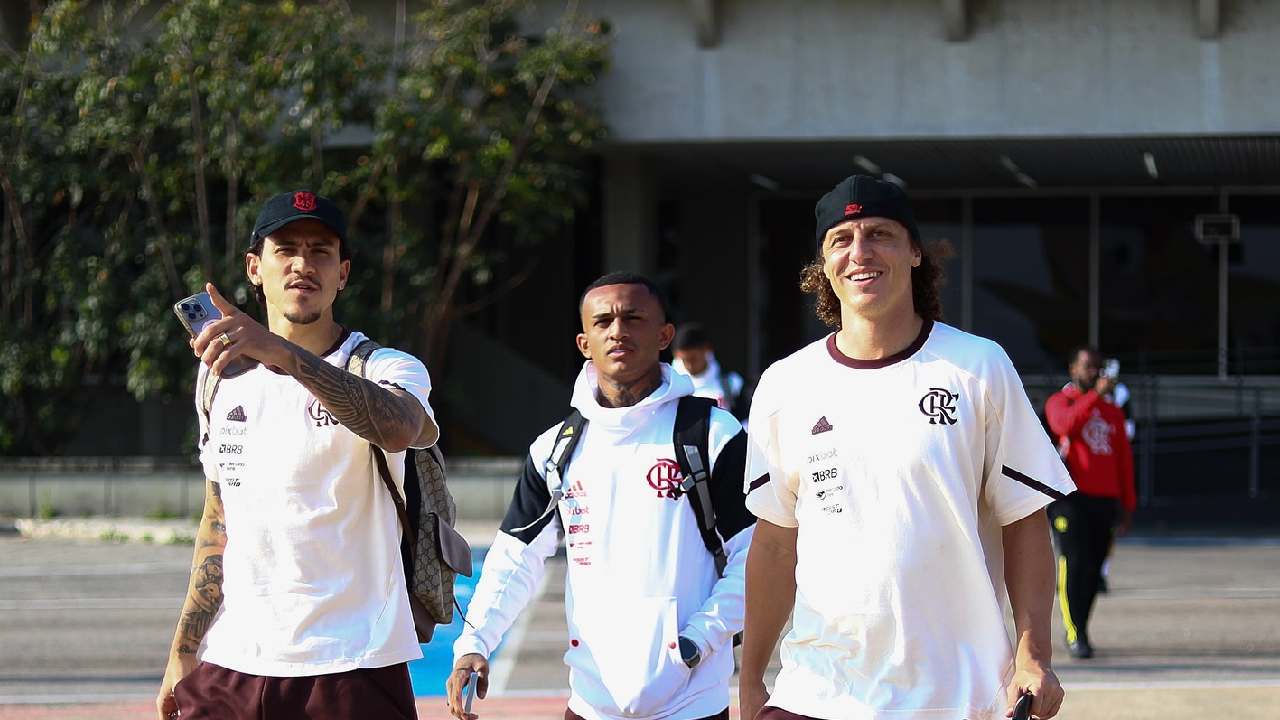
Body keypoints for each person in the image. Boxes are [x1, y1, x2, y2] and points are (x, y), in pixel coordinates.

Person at [739, 175, 1074, 720]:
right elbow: (776, 543)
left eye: (880, 235)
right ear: (822, 264)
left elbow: (1024, 524)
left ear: (915, 252)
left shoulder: (978, 367)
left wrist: (1033, 656)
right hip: (816, 693)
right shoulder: (784, 384)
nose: (860, 253)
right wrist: (752, 679)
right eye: (841, 240)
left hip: (956, 696)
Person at [155, 190, 438, 720]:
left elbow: (400, 428)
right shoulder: (217, 377)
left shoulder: (385, 366)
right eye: (285, 249)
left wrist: (281, 353)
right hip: (235, 661)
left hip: (353, 662)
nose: (302, 265)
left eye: (320, 251)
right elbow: (219, 518)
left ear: (343, 272)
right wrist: (183, 648)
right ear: (254, 268)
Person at [446, 272, 754, 720]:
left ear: (664, 335)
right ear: (584, 342)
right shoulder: (556, 448)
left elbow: (756, 559)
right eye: (603, 321)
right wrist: (474, 642)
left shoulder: (713, 436)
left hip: (691, 704)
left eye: (633, 317)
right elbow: (516, 557)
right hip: (592, 704)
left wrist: (695, 643)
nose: (618, 330)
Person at [1044, 346, 1136, 659]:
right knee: (1074, 564)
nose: (1093, 372)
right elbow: (1064, 426)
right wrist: (1094, 397)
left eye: (1097, 367)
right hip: (1071, 500)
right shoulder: (1060, 402)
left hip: (1104, 500)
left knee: (1094, 570)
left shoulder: (1112, 411)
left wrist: (1128, 503)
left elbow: (1123, 458)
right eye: (1086, 366)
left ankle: (1082, 625)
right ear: (1073, 369)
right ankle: (1075, 632)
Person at [672, 323, 751, 421]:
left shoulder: (732, 384)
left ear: (706, 350)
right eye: (685, 360)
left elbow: (745, 423)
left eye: (693, 358)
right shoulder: (670, 387)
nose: (690, 365)